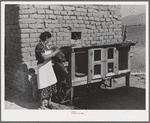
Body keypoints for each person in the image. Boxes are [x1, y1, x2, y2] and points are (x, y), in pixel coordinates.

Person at [35, 31, 59, 109]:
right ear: (46, 38)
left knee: (50, 84)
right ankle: (42, 105)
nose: (50, 40)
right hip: (42, 68)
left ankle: (49, 103)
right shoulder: (39, 46)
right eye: (49, 38)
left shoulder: (46, 46)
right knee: (43, 85)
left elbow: (49, 54)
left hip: (48, 67)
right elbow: (44, 57)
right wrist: (55, 52)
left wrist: (53, 50)